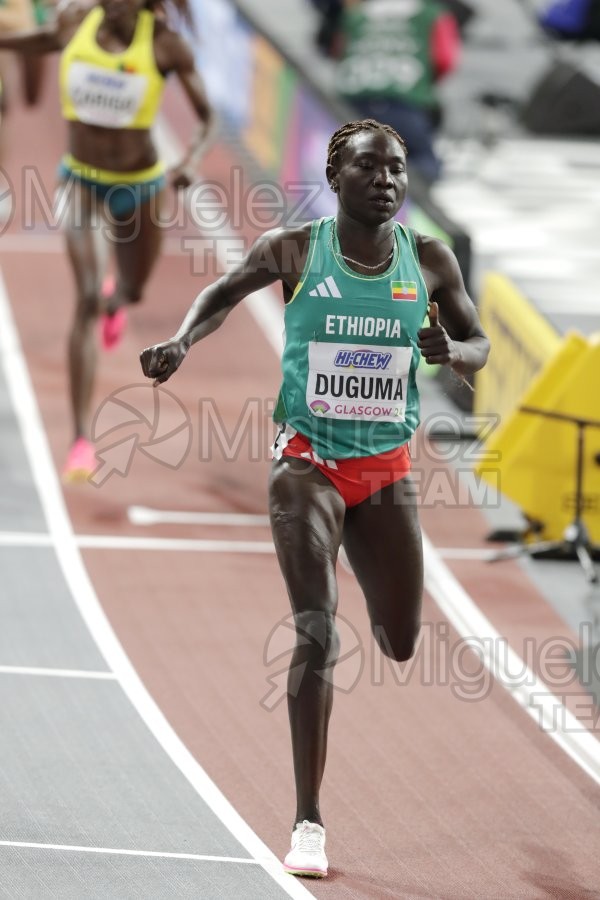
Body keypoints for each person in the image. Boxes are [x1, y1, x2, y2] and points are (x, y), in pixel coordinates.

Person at [140, 119, 490, 878]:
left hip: (386, 471)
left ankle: (365, 564)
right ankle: (308, 820)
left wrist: (454, 353)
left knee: (399, 641)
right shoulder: (297, 250)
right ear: (336, 177)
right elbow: (221, 293)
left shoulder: (429, 260)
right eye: (370, 168)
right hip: (307, 465)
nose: (388, 181)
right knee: (317, 633)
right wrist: (180, 343)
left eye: (396, 169)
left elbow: (478, 342)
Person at [0, 0, 214, 481]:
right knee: (84, 301)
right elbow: (39, 42)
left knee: (132, 290)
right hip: (80, 182)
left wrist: (191, 160)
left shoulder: (164, 44)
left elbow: (206, 117)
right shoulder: (76, 20)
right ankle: (80, 439)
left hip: (139, 187)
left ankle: (120, 300)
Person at [334, 0, 461, 183]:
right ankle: (410, 201)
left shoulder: (355, 13)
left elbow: (340, 52)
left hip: (352, 105)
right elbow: (444, 60)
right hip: (403, 104)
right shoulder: (432, 13)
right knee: (424, 163)